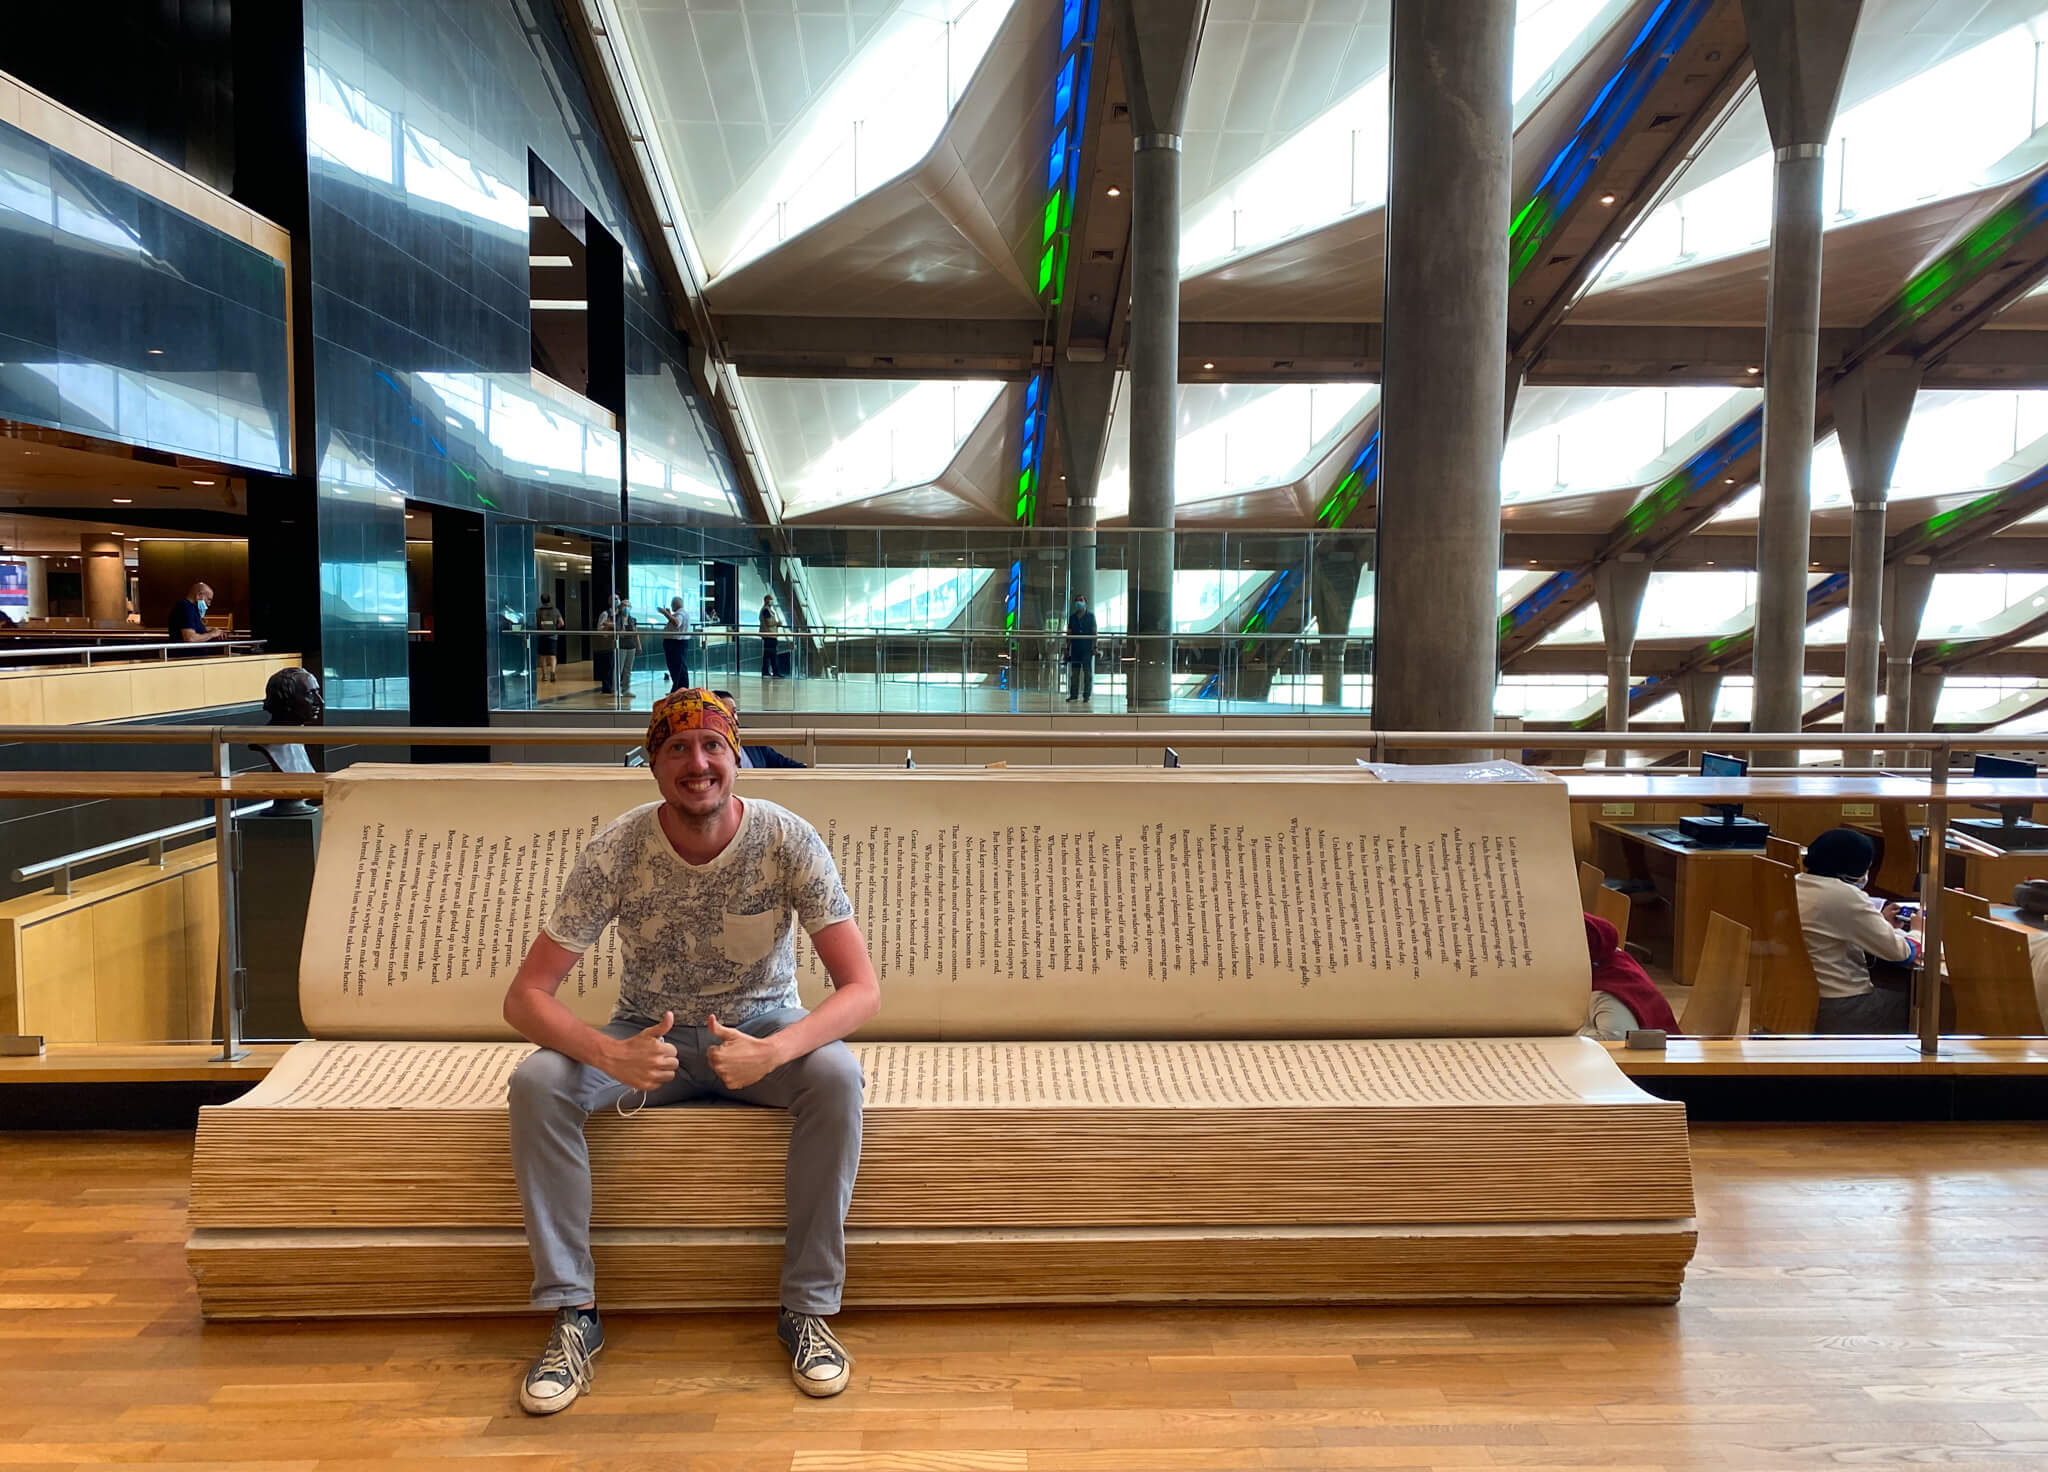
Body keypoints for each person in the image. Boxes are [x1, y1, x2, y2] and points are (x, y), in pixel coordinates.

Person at [504, 688, 879, 1413]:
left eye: (712, 745)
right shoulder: (616, 849)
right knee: (538, 1084)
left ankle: (807, 1311)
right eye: (677, 748)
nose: (697, 762)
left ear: (735, 757)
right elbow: (526, 996)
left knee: (835, 1074)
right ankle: (573, 1315)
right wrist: (608, 1056)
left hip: (762, 1031)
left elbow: (861, 989)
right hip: (648, 1036)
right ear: (652, 763)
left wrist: (776, 1052)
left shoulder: (786, 838)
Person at [1796, 828, 1920, 1034]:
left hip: (1802, 1000)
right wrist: (1918, 932)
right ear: (1854, 867)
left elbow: (1833, 928)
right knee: (1926, 1003)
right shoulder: (1845, 895)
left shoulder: (1796, 883)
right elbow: (1900, 953)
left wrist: (1879, 923)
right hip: (1844, 1008)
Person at [1579, 913, 1680, 1040]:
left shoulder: (1606, 990)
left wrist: (1569, 1032)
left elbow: (1615, 1040)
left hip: (1649, 1057)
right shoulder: (1609, 958)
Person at [713, 689, 806, 769]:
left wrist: (810, 770)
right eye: (726, 712)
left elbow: (780, 762)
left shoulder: (751, 737)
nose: (733, 717)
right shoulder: (710, 747)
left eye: (734, 711)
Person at [1064, 596, 1096, 703]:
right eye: (1077, 600)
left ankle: (1086, 695)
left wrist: (1094, 647)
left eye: (1081, 600)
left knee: (1087, 673)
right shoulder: (1072, 617)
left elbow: (1094, 632)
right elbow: (1069, 633)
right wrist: (1067, 648)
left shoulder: (1090, 616)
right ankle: (1073, 695)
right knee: (1075, 673)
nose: (1078, 602)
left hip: (1087, 649)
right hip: (1076, 649)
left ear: (1086, 602)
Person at [662, 596, 692, 693]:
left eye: (672, 604)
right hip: (677, 643)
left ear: (675, 604)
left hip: (675, 644)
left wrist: (665, 613)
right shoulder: (681, 613)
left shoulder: (680, 614)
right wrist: (670, 615)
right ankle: (679, 688)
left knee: (676, 667)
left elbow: (676, 623)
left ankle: (679, 689)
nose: (671, 606)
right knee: (679, 667)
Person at [535, 594, 563, 685]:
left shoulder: (538, 611)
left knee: (542, 656)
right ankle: (553, 672)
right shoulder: (555, 610)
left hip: (542, 635)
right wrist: (555, 628)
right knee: (552, 655)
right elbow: (562, 623)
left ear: (541, 600)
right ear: (550, 600)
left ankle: (544, 675)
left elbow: (536, 623)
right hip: (552, 635)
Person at [760, 595, 783, 679]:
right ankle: (774, 672)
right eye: (770, 600)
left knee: (767, 655)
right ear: (766, 600)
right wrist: (777, 623)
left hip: (770, 635)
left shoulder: (767, 610)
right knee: (772, 655)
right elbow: (769, 622)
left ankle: (766, 672)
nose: (771, 601)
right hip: (769, 635)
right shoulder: (766, 610)